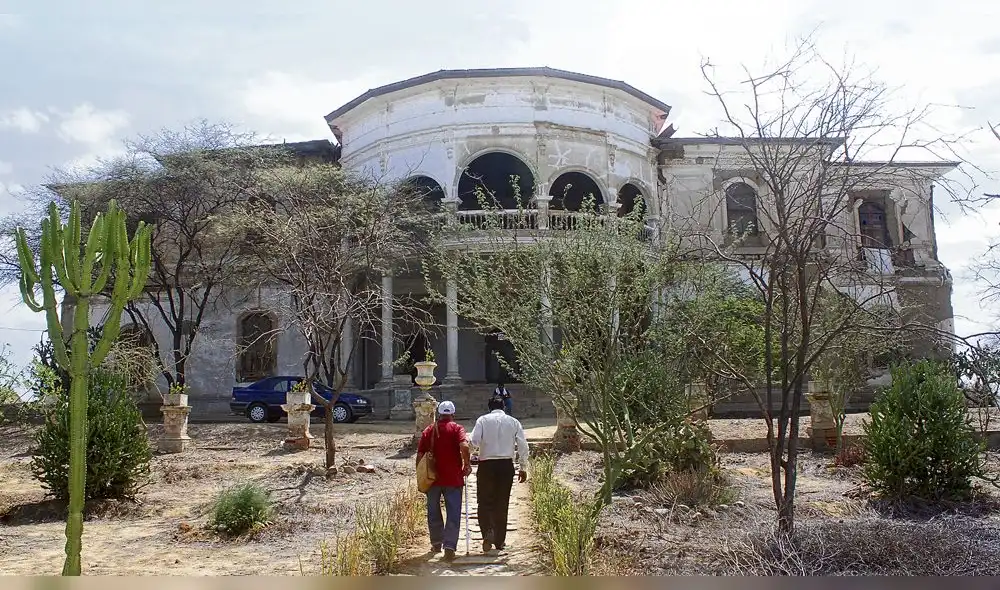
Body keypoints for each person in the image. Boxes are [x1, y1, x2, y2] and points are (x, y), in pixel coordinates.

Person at [469, 395, 529, 554]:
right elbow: (523, 445)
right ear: (504, 407)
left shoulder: (482, 420)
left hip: (486, 464)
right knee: (502, 502)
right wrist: (523, 466)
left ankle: (488, 531)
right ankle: (500, 540)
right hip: (505, 465)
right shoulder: (513, 421)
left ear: (489, 407)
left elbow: (473, 442)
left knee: (484, 500)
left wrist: (465, 459)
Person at [416, 400, 472, 561]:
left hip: (432, 478)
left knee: (433, 511)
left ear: (439, 413)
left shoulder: (429, 430)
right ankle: (449, 545)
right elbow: (465, 446)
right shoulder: (456, 428)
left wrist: (420, 474)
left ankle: (436, 542)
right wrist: (466, 464)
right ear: (453, 414)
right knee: (453, 512)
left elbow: (420, 454)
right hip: (453, 477)